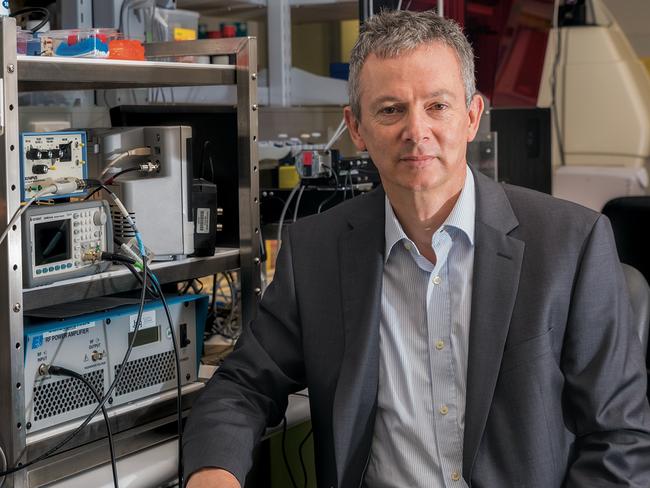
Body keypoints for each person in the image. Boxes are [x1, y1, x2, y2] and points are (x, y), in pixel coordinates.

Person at [184, 9, 650, 488]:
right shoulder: (316, 252)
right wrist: (213, 472)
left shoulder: (569, 245)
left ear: (472, 117)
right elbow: (243, 384)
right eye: (391, 110)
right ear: (357, 127)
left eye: (438, 106)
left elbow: (621, 440)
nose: (416, 131)